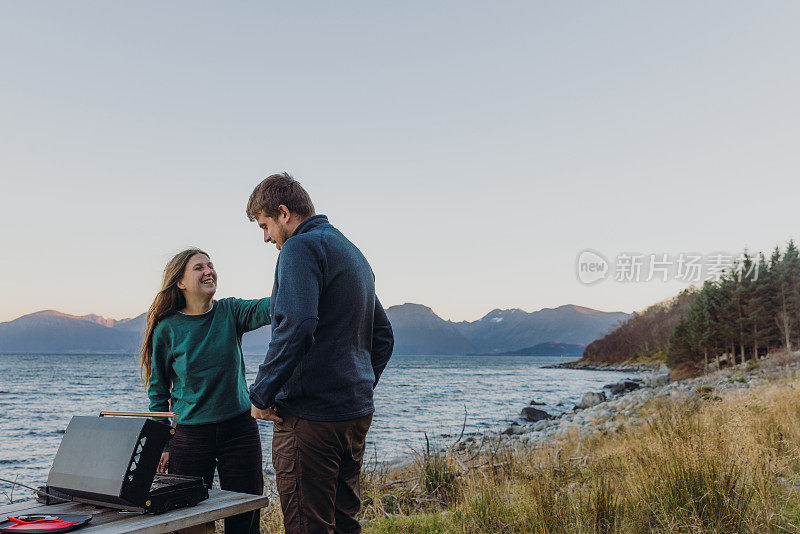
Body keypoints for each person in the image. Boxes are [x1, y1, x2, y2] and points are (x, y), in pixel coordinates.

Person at [246, 173, 394, 534]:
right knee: (345, 523)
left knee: (307, 527)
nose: (266, 237)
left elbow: (297, 325)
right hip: (353, 415)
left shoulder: (300, 247)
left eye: (265, 225)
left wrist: (262, 394)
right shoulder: (352, 252)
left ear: (283, 213)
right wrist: (355, 386)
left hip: (310, 421)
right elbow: (384, 337)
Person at [140, 248, 269, 534]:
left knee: (246, 516)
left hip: (240, 431)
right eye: (199, 267)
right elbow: (159, 392)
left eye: (210, 265)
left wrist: (301, 278)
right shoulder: (167, 328)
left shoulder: (230, 311)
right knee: (191, 523)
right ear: (181, 282)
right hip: (190, 437)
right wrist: (162, 444)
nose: (208, 271)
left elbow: (270, 307)